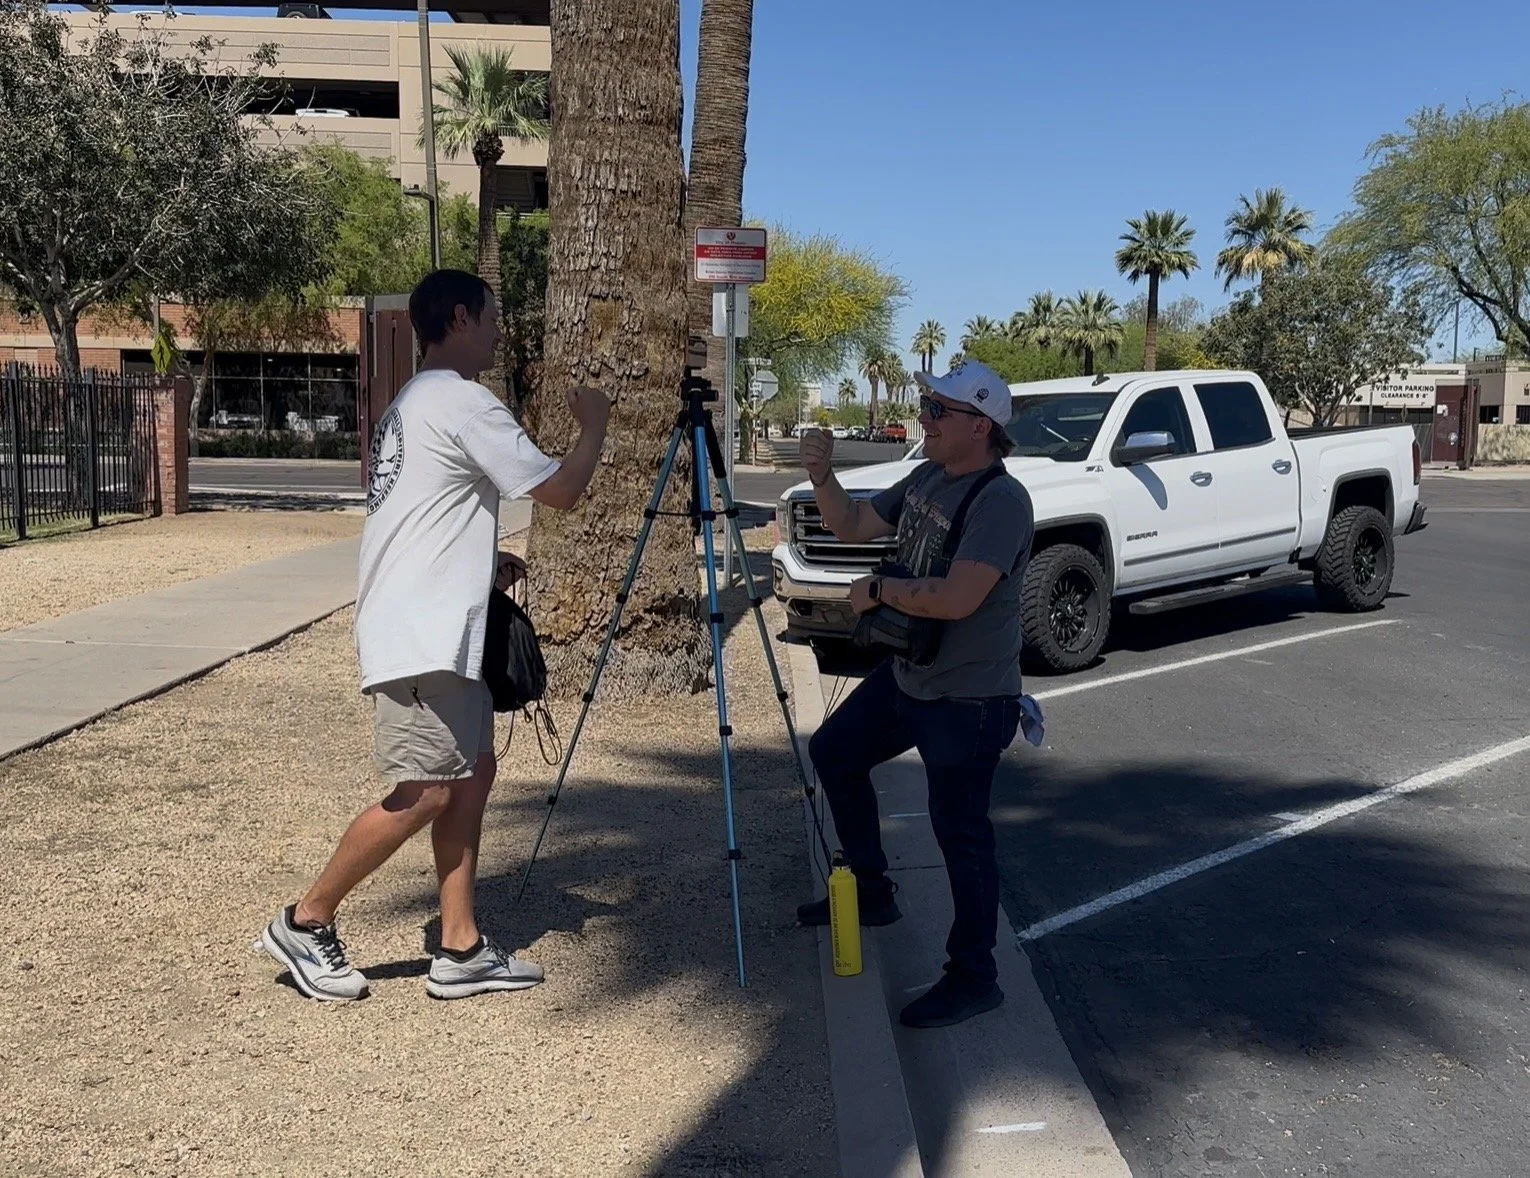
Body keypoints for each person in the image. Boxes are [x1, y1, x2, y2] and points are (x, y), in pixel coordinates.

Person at [259, 269, 610, 1002]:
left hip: (434, 625)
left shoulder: (413, 403)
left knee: (470, 776)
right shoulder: (461, 400)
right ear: (460, 318)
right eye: (492, 317)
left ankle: (460, 946)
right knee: (426, 791)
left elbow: (427, 515)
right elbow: (561, 491)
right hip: (423, 635)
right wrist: (594, 424)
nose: (499, 330)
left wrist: (482, 567)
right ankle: (306, 918)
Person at [796, 358, 1034, 1029]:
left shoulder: (1001, 502)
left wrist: (878, 592)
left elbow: (959, 598)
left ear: (981, 426)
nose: (924, 419)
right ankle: (871, 892)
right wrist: (821, 476)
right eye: (927, 405)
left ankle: (974, 975)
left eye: (938, 411)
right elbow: (854, 525)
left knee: (961, 835)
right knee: (837, 752)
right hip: (911, 677)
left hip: (969, 699)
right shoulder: (930, 475)